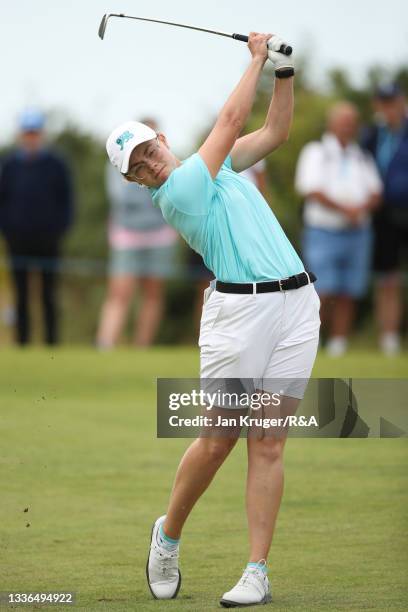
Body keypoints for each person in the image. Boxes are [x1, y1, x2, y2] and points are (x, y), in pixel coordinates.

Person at [106, 33, 320, 607]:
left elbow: (273, 133)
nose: (148, 162)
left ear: (162, 141)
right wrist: (254, 57)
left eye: (149, 149)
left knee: (270, 442)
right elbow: (228, 120)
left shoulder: (216, 167)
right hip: (239, 314)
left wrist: (284, 73)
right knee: (220, 436)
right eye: (137, 165)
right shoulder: (179, 191)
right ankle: (167, 535)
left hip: (298, 304)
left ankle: (256, 571)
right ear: (134, 180)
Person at [295, 102, 382, 356]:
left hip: (357, 232)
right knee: (323, 290)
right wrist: (347, 210)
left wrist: (360, 209)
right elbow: (311, 189)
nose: (348, 126)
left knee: (349, 290)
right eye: (343, 121)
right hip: (324, 231)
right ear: (331, 123)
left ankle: (338, 344)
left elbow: (376, 192)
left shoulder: (361, 155)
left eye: (352, 122)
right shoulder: (316, 151)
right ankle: (312, 343)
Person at [96, 119, 178, 348]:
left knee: (152, 294)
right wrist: (154, 190)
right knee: (119, 293)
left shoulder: (169, 160)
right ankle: (105, 345)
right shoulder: (118, 163)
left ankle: (142, 347)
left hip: (160, 234)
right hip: (127, 233)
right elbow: (121, 196)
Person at [0, 109, 73, 345]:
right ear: (22, 134)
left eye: (35, 132)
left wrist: (60, 229)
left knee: (48, 294)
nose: (31, 137)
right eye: (27, 132)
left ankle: (52, 342)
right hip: (17, 239)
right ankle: (22, 342)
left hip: (48, 239)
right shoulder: (10, 165)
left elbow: (66, 200)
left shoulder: (56, 164)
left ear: (41, 134)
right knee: (21, 294)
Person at [361, 84, 408, 354]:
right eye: (383, 103)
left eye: (393, 102)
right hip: (384, 215)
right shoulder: (372, 135)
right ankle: (388, 337)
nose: (389, 108)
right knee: (387, 277)